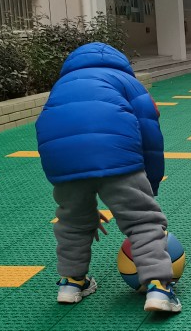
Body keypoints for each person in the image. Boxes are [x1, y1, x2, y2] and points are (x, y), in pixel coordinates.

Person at [35, 42, 181, 313]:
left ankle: (71, 283)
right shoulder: (127, 82)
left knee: (73, 223)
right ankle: (159, 289)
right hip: (118, 155)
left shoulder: (62, 84)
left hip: (63, 163)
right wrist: (151, 182)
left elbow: (48, 127)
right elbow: (150, 132)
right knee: (142, 220)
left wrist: (70, 184)